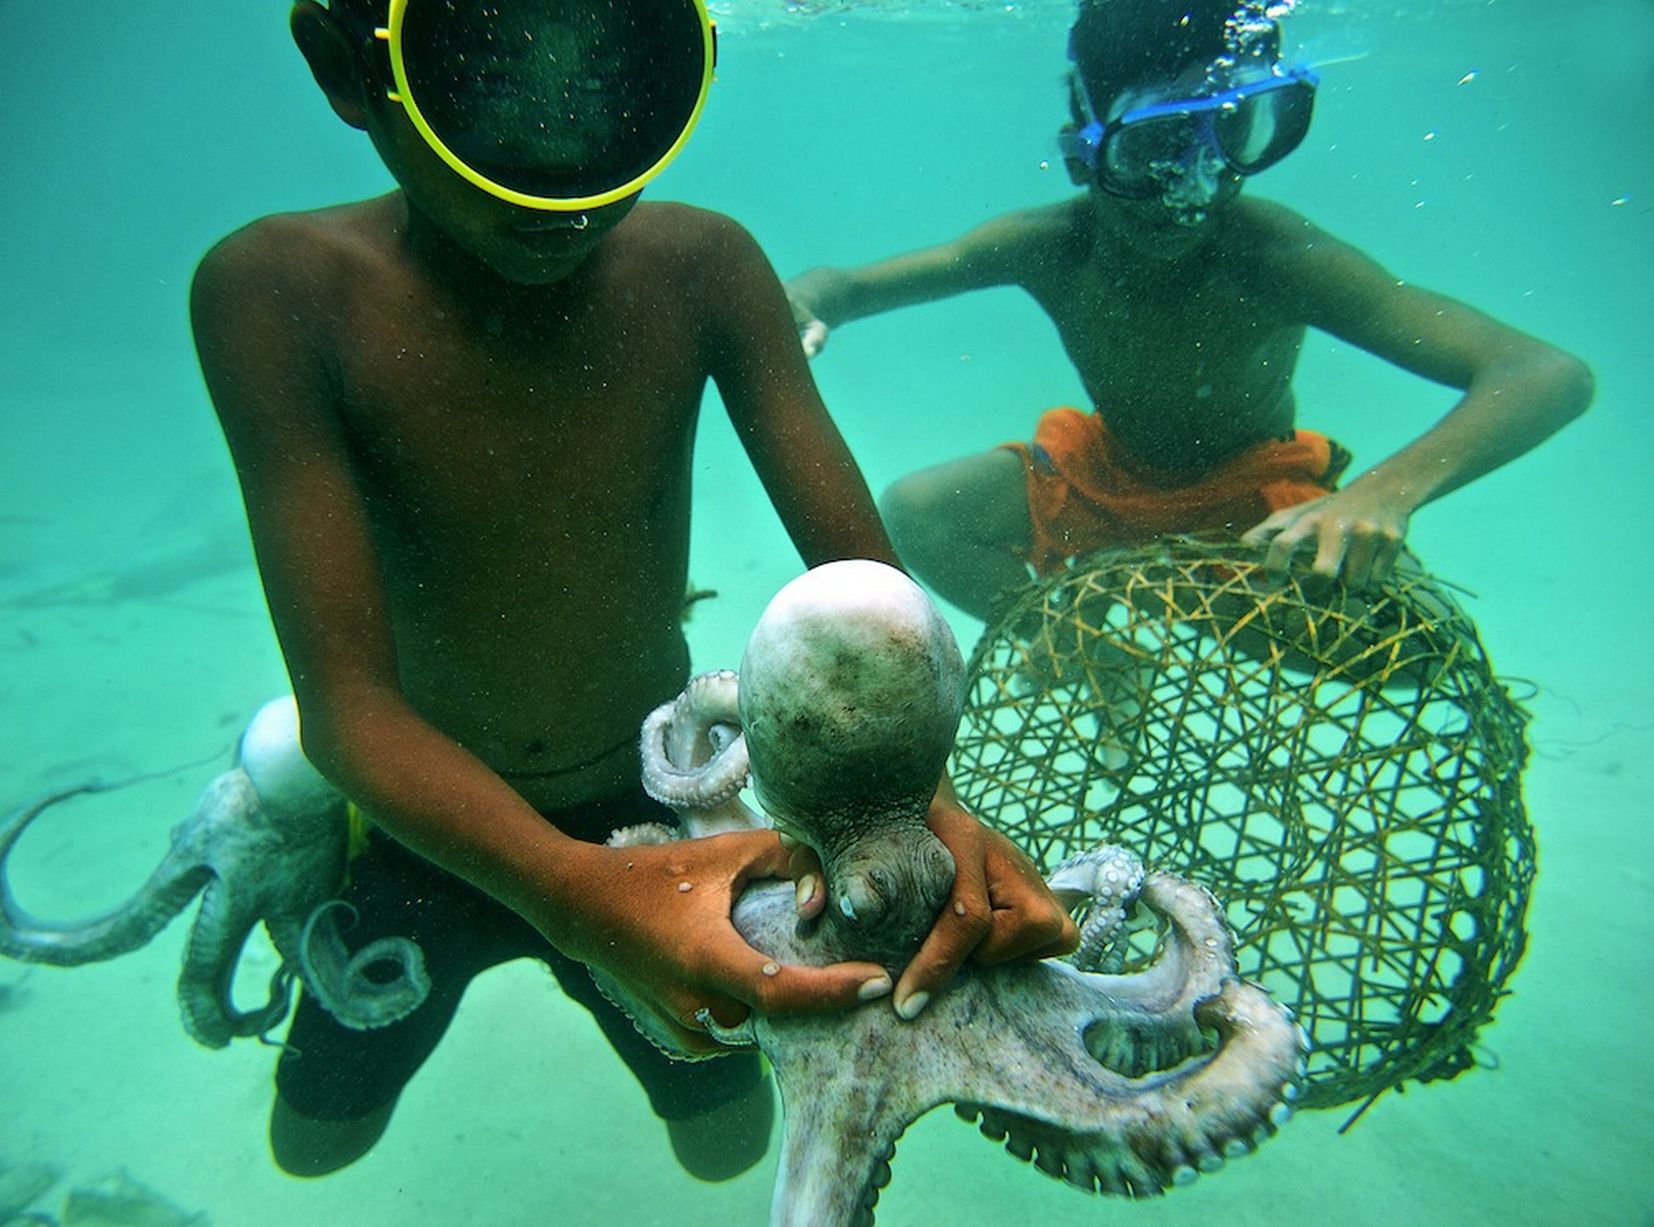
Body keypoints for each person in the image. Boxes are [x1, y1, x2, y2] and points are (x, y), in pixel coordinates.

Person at [191, 0, 1074, 1183]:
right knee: (312, 1148)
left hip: (654, 802)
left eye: (609, 88)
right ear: (348, 64)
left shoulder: (700, 265)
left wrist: (914, 801)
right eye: (496, 84)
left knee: (727, 1150)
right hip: (420, 821)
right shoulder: (278, 293)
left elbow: (863, 594)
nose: (564, 176)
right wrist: (566, 890)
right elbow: (347, 707)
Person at [786, 0, 1593, 622]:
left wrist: (1381, 492)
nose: (1194, 186)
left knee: (1408, 652)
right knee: (920, 513)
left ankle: (1134, 621)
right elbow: (846, 287)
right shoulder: (1047, 245)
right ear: (1083, 150)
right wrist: (807, 300)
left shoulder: (1273, 255)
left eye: (1232, 137)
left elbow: (1545, 374)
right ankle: (1078, 642)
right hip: (1103, 479)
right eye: (1153, 148)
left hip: (1253, 512)